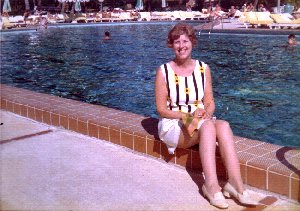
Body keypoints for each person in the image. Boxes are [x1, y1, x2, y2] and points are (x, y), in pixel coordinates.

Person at [155, 23, 258, 209]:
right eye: (176, 42)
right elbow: (161, 110)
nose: (181, 46)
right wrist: (189, 115)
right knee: (208, 126)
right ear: (171, 45)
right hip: (174, 123)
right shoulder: (164, 71)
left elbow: (210, 102)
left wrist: (205, 113)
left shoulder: (203, 69)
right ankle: (211, 186)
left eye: (185, 41)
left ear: (192, 42)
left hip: (201, 121)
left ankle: (236, 184)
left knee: (224, 125)